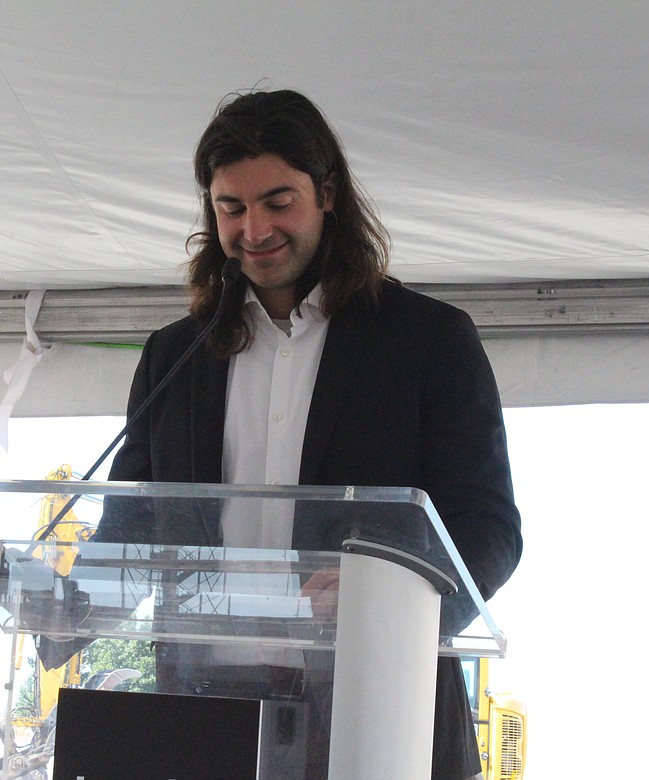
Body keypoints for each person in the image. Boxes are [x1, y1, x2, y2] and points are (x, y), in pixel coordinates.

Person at [94, 88, 522, 780]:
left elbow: (490, 531)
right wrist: (63, 596)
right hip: (203, 719)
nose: (254, 229)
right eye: (230, 207)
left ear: (327, 194)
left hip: (378, 712)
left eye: (278, 202)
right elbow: (131, 528)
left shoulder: (427, 341)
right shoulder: (175, 357)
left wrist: (389, 600)